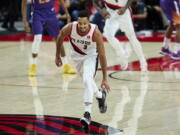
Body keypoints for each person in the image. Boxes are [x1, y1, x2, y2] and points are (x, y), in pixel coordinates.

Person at [55, 10, 110, 130]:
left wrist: (105, 78)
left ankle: (87, 113)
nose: (82, 26)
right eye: (80, 23)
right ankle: (101, 96)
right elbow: (59, 37)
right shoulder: (70, 28)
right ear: (77, 22)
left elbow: (102, 55)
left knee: (87, 80)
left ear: (88, 22)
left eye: (84, 24)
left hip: (91, 56)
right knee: (88, 81)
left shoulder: (95, 33)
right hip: (76, 57)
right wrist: (57, 55)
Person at [22, 0, 76, 76]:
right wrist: (24, 20)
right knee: (37, 37)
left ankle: (66, 65)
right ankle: (33, 66)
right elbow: (23, 3)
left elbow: (61, 1)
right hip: (37, 14)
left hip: (50, 13)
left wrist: (67, 13)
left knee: (58, 38)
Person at [93, 0, 148, 71]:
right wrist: (101, 11)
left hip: (124, 12)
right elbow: (94, 2)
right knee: (108, 35)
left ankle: (142, 61)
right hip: (111, 12)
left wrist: (125, 8)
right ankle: (122, 55)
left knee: (132, 37)